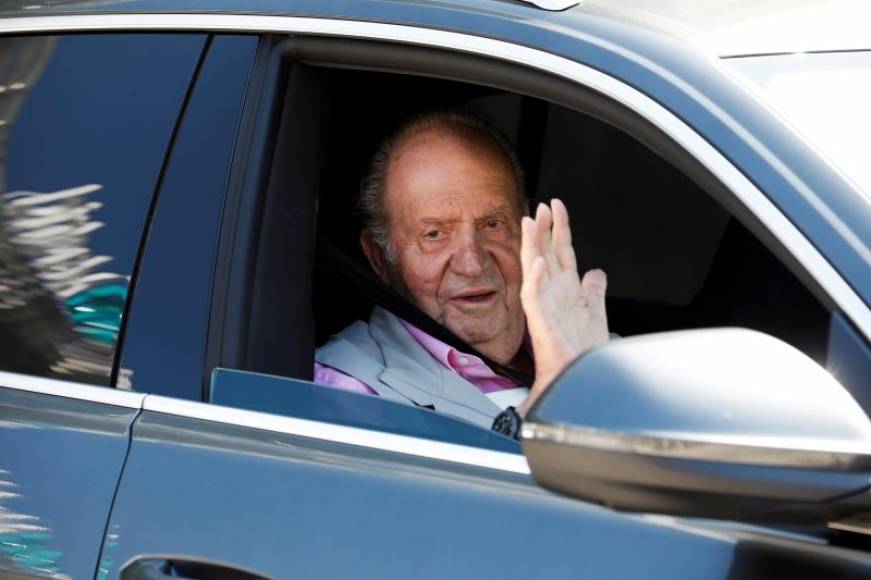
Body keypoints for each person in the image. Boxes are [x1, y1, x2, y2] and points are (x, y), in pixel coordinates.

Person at [315, 111, 609, 435]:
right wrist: (554, 398)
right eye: (434, 234)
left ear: (526, 229)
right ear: (379, 257)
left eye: (493, 225)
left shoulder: (589, 344)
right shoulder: (348, 391)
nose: (472, 263)